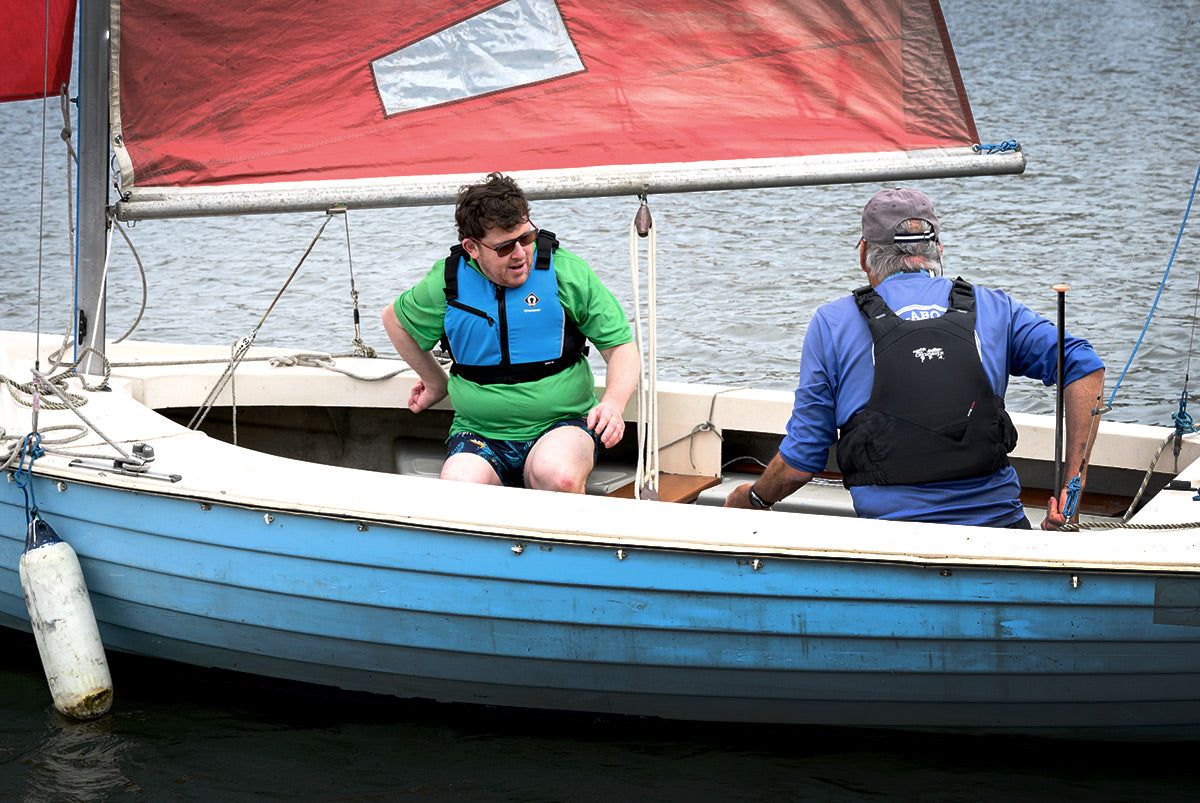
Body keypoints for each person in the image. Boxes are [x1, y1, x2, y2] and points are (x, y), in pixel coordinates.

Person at [725, 188, 1105, 529]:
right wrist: (1073, 491)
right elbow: (1083, 364)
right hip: (1002, 533)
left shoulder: (833, 322)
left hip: (895, 540)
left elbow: (799, 465)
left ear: (863, 254)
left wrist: (754, 498)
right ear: (937, 249)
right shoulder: (994, 307)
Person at [382, 172, 639, 493]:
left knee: (558, 475)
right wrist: (436, 383)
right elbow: (395, 321)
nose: (520, 253)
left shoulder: (566, 272)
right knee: (458, 487)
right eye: (505, 247)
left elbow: (621, 348)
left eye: (527, 238)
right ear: (472, 247)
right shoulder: (447, 282)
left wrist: (613, 404)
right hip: (479, 431)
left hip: (562, 424)